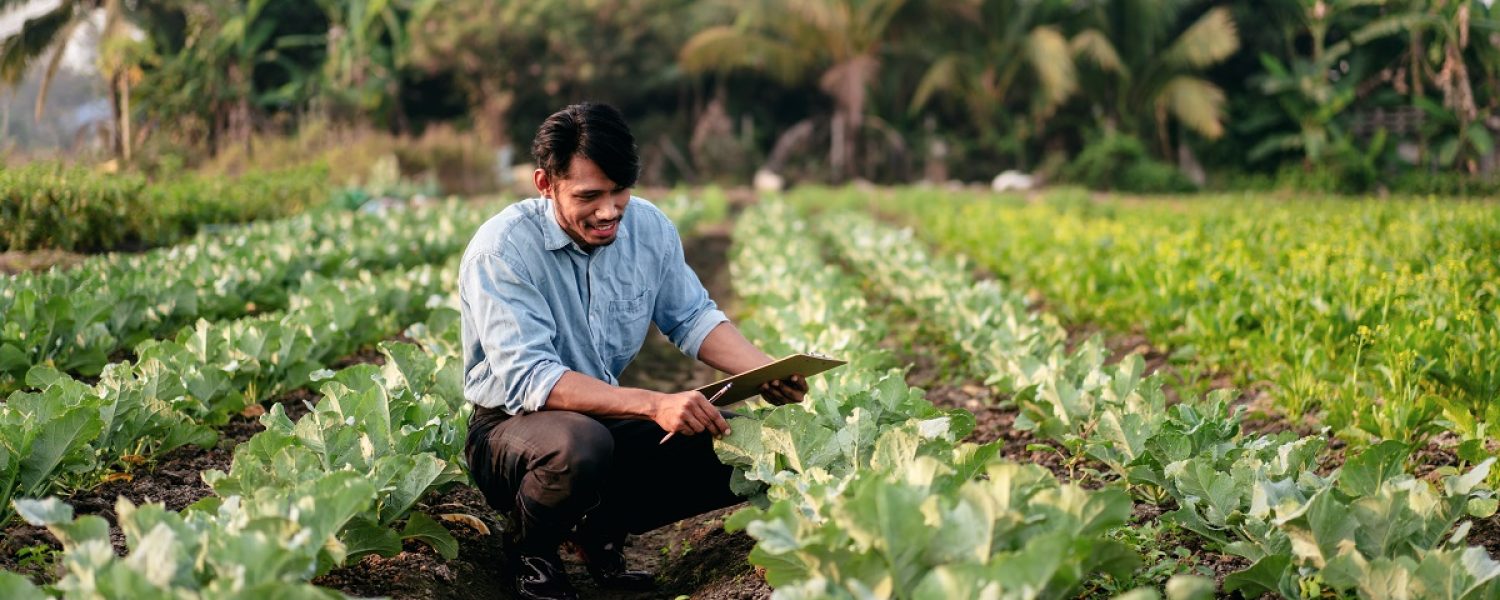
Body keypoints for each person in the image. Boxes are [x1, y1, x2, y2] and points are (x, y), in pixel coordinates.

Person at [459, 102, 806, 600]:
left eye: (620, 191)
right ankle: (532, 553)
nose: (609, 211)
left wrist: (766, 370)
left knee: (744, 442)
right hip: (512, 431)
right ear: (544, 185)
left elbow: (691, 317)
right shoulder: (502, 250)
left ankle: (597, 530)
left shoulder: (647, 228)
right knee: (579, 446)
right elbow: (531, 378)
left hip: (600, 417)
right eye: (589, 196)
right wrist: (656, 404)